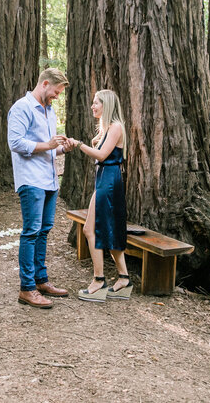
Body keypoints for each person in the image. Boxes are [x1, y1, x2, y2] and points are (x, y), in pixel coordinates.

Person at [8, 68, 76, 309]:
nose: (57, 96)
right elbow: (15, 142)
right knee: (31, 231)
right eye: (56, 92)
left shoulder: (50, 111)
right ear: (45, 84)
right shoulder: (22, 108)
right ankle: (26, 288)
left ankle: (40, 280)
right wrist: (47, 144)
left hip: (49, 179)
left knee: (44, 230)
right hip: (31, 180)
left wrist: (61, 148)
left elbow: (48, 148)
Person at [68, 89, 131, 302]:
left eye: (96, 103)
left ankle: (99, 280)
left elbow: (102, 155)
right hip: (105, 179)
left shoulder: (116, 127)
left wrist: (79, 144)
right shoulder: (108, 128)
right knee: (104, 228)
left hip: (109, 180)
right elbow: (100, 145)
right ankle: (123, 279)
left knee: (92, 229)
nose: (93, 106)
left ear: (107, 105)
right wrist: (97, 138)